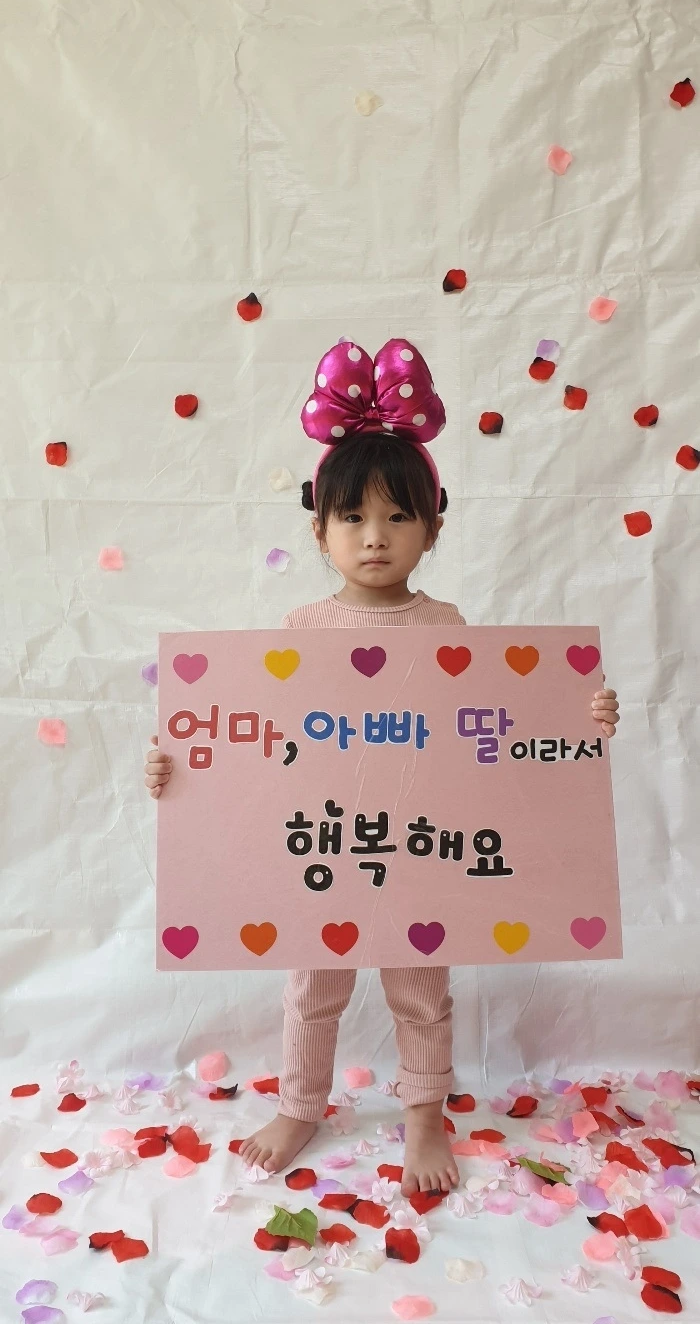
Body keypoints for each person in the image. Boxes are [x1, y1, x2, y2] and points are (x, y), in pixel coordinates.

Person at [144, 336, 620, 1197]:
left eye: (398, 517)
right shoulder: (300, 631)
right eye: (353, 518)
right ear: (319, 529)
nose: (374, 537)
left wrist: (575, 723)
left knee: (422, 992)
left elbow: (497, 733)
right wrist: (182, 769)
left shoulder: (446, 629)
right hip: (322, 846)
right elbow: (258, 741)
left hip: (420, 849)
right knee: (311, 987)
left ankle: (424, 1116)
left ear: (433, 527)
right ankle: (301, 1104)